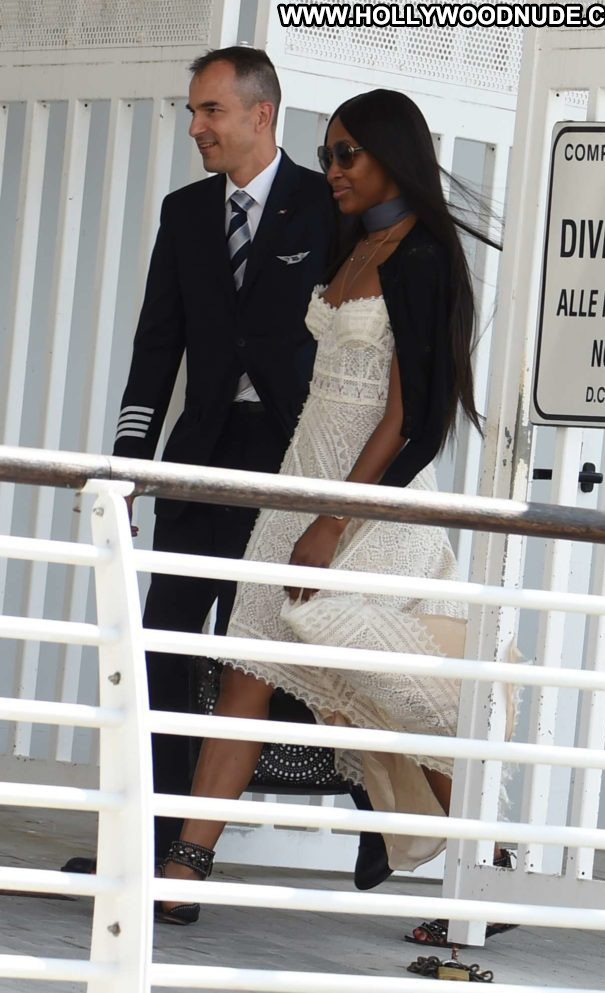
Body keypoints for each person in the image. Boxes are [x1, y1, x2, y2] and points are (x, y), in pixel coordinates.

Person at [155, 87, 512, 926]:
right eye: (326, 156)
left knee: (369, 670)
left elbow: (408, 417)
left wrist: (334, 518)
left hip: (370, 499)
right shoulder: (353, 243)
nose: (332, 170)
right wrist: (300, 501)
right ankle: (183, 870)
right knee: (245, 670)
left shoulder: (423, 256)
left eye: (347, 154)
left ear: (394, 154)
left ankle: (490, 862)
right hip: (301, 482)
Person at [62, 46, 387, 884]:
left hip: (293, 464)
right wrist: (129, 465)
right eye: (193, 111)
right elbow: (156, 346)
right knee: (165, 649)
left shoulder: (328, 206)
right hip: (200, 462)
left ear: (260, 113)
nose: (196, 127)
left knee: (297, 655)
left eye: (210, 110)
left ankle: (382, 816)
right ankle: (153, 845)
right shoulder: (184, 212)